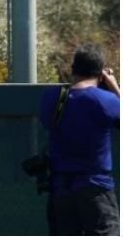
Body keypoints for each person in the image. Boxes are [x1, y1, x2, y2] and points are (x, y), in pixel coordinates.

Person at [41, 45, 120, 235]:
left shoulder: (54, 98)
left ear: (72, 69)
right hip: (95, 189)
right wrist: (115, 88)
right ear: (100, 73)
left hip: (61, 189)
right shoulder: (105, 101)